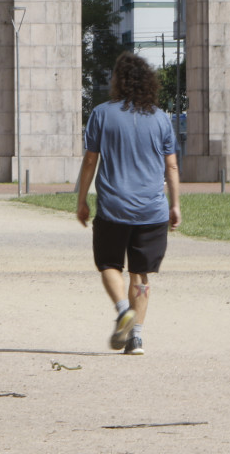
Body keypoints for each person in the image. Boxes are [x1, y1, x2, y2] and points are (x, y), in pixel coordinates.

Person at [76, 52, 181, 356]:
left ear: (117, 81)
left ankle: (123, 310)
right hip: (152, 209)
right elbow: (171, 166)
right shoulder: (161, 118)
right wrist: (175, 205)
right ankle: (136, 338)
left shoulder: (101, 114)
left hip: (113, 207)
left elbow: (90, 161)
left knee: (109, 263)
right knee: (141, 273)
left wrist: (82, 200)